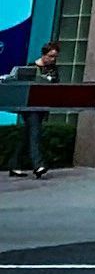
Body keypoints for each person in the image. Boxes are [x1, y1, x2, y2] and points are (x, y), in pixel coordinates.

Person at [6, 40, 58, 179]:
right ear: (44, 55)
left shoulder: (53, 69)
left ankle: (14, 164)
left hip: (41, 106)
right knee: (35, 135)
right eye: (51, 56)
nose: (53, 60)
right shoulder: (30, 68)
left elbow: (54, 85)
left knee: (27, 136)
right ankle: (38, 165)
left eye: (55, 57)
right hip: (30, 107)